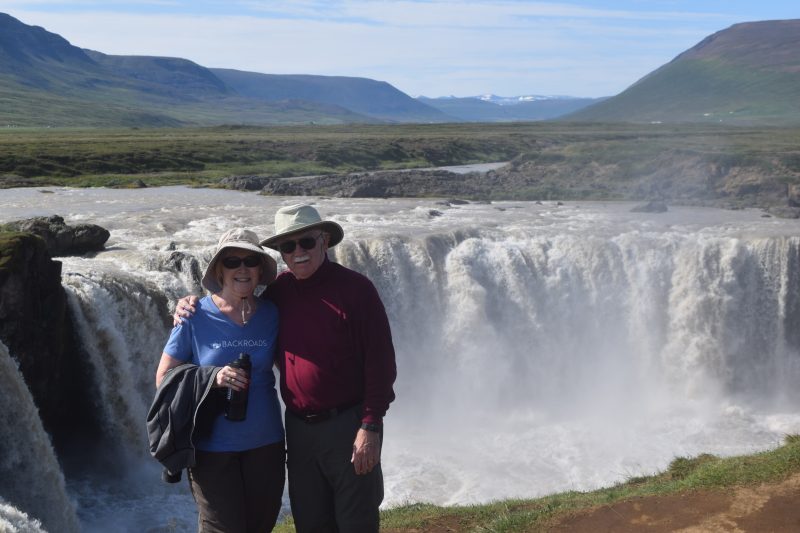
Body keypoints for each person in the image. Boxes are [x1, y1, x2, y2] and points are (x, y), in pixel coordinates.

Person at [176, 204, 397, 533]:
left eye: (306, 242)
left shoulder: (356, 290)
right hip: (298, 430)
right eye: (287, 246)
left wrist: (371, 425)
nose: (298, 252)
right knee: (310, 521)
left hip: (348, 426)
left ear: (324, 240)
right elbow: (232, 299)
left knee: (356, 522)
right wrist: (188, 302)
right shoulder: (278, 293)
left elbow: (381, 363)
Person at [157, 228, 285, 533]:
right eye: (232, 261)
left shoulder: (272, 313)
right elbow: (163, 379)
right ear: (219, 270)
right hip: (210, 448)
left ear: (260, 269)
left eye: (251, 261)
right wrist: (212, 378)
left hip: (266, 443)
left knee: (261, 526)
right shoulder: (193, 315)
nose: (242, 268)